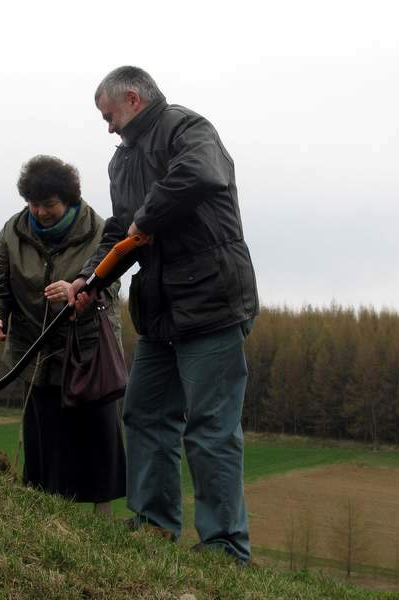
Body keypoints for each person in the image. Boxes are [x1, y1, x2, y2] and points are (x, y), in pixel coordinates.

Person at [69, 67, 259, 563]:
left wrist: (143, 220)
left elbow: (198, 175)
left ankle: (223, 545)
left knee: (212, 427)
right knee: (146, 413)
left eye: (109, 116)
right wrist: (91, 280)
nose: (107, 127)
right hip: (158, 312)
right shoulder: (121, 163)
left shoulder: (187, 129)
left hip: (213, 303)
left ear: (132, 98)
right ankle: (154, 523)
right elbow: (120, 232)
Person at [0, 154, 126, 513]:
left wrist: (76, 290)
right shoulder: (13, 232)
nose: (40, 212)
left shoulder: (98, 230)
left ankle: (100, 520)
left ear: (70, 201)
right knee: (43, 441)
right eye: (33, 204)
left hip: (87, 354)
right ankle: (44, 517)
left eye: (49, 205)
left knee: (96, 437)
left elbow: (109, 287)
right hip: (35, 353)